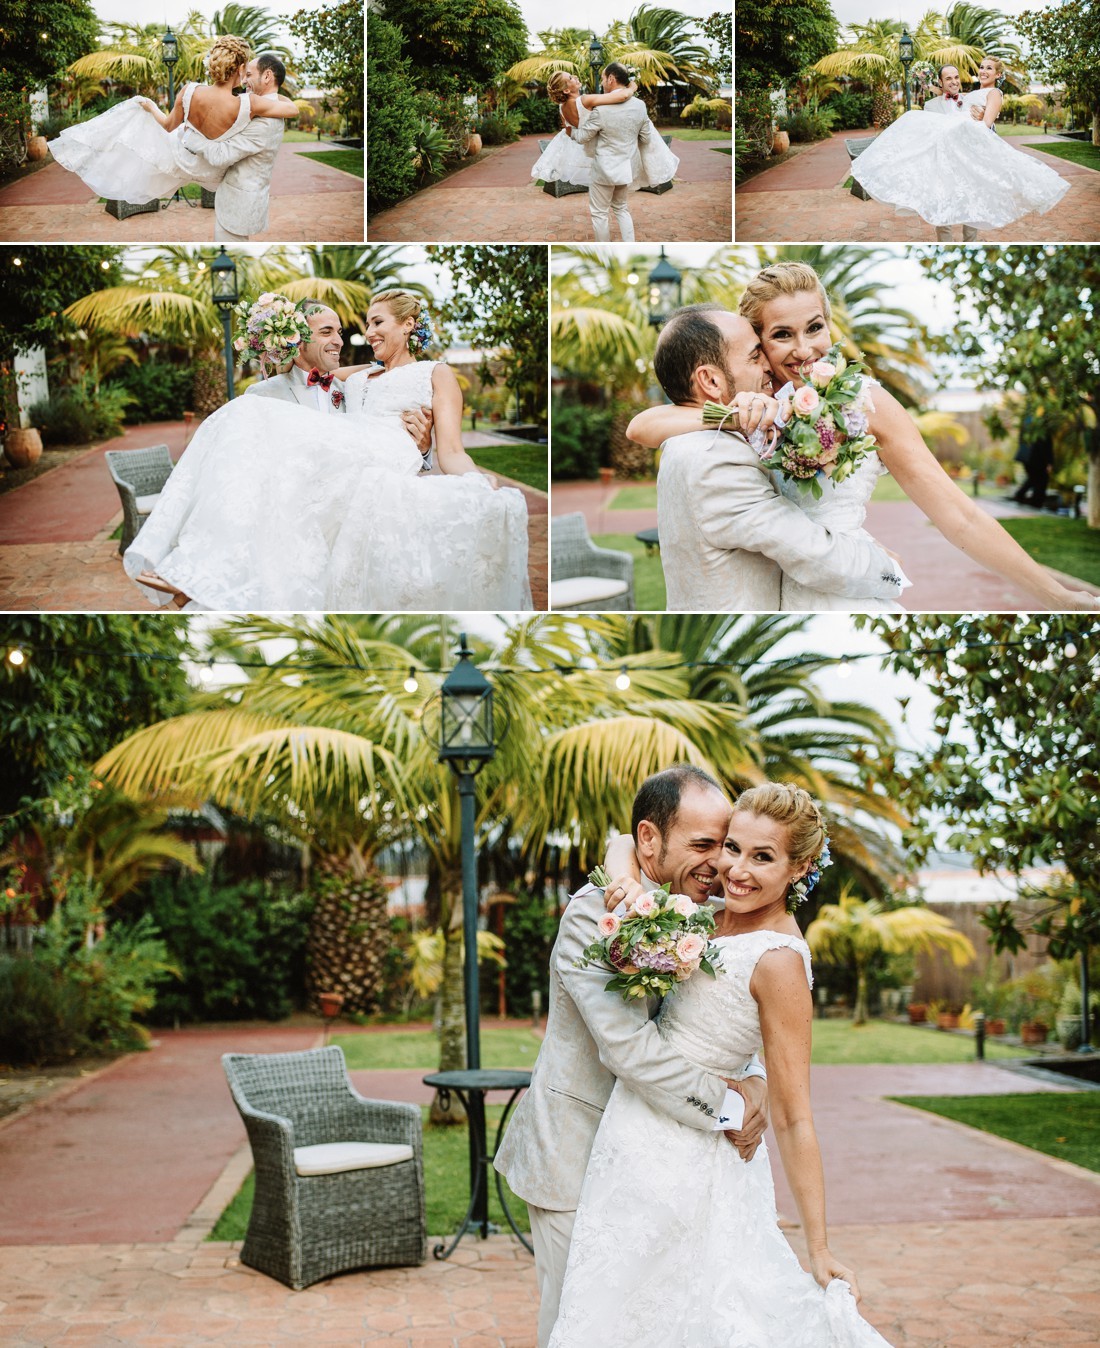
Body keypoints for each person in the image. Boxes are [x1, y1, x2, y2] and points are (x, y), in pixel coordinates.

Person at [549, 783, 892, 1347]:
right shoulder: (706, 915)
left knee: (701, 1313)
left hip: (701, 1154)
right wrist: (624, 873)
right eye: (732, 848)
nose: (736, 870)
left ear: (800, 867)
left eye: (763, 858)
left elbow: (794, 1115)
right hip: (631, 1138)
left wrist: (819, 1246)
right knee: (614, 1312)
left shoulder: (778, 959)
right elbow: (624, 843)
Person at [628, 263, 1100, 611]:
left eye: (815, 327)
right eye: (781, 335)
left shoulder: (867, 403)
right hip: (785, 598)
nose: (805, 349)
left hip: (846, 592)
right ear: (759, 344)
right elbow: (644, 426)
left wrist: (1052, 593)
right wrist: (730, 417)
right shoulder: (751, 403)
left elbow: (959, 516)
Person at [494, 766, 771, 1348]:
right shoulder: (594, 917)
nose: (718, 862)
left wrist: (757, 1077)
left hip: (657, 1161)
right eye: (702, 845)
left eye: (723, 845)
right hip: (575, 1157)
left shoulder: (706, 910)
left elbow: (735, 1008)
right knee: (578, 1327)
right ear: (649, 840)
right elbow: (628, 1048)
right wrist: (729, 1109)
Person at [124, 289, 529, 612]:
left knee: (252, 418)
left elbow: (452, 452)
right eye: (366, 324)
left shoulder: (436, 373)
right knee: (246, 417)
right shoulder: (358, 375)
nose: (367, 333)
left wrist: (478, 480)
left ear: (408, 325)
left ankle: (193, 576)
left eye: (377, 322)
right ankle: (194, 570)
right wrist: (276, 334)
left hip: (385, 451)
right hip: (350, 448)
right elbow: (314, 369)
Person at [630, 302, 908, 611]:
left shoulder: (693, 439)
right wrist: (887, 569)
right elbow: (811, 553)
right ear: (710, 381)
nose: (767, 365)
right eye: (754, 355)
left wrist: (732, 418)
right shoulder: (713, 459)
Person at [47, 36, 298, 208]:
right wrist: (264, 93)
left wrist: (152, 107)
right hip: (209, 171)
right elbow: (292, 109)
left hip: (180, 157)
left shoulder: (189, 91)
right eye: (246, 72)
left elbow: (167, 126)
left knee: (145, 126)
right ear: (241, 67)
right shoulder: (249, 104)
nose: (246, 79)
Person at [849, 56, 1068, 238]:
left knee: (971, 211)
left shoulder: (982, 95)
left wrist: (984, 117)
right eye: (981, 67)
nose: (954, 81)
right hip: (943, 166)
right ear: (941, 82)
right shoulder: (939, 102)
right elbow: (935, 118)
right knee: (942, 215)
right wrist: (925, 81)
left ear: (998, 75)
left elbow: (985, 123)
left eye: (988, 68)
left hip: (969, 160)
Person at [178, 52, 289, 242]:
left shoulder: (266, 121)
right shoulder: (269, 108)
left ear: (267, 76)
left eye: (249, 74)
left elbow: (221, 155)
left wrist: (188, 135)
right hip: (239, 200)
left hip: (238, 206)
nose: (244, 80)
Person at [568, 63, 677, 242]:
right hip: (626, 168)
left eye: (603, 78)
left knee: (599, 214)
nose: (602, 82)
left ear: (611, 79)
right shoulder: (640, 106)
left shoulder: (601, 108)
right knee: (621, 208)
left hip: (603, 170)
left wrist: (569, 131)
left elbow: (583, 137)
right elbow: (646, 138)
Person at [532, 70, 676, 197]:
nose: (575, 77)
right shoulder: (584, 100)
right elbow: (622, 97)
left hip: (587, 147)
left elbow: (569, 131)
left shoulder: (562, 108)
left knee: (601, 192)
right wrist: (632, 87)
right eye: (570, 78)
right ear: (566, 91)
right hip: (606, 148)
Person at [1012, 402, 1054, 508]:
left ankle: (1022, 496)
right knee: (1040, 480)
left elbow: (1021, 439)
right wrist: (1049, 461)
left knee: (1034, 478)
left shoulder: (1027, 421)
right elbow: (1047, 443)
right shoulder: (1040, 424)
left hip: (1026, 457)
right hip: (1036, 458)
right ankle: (1034, 502)